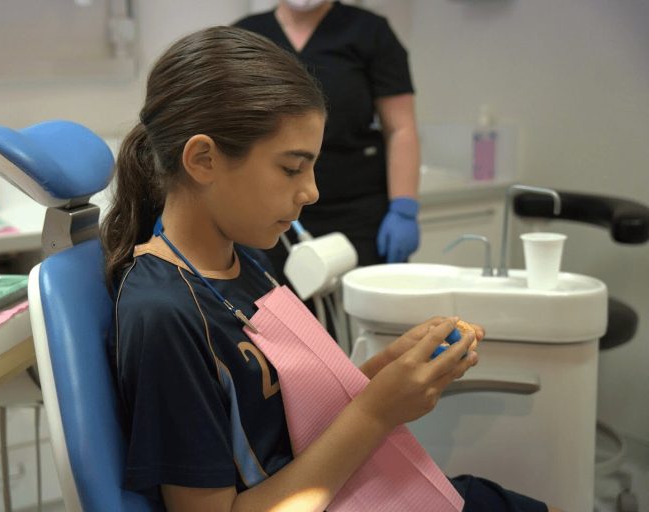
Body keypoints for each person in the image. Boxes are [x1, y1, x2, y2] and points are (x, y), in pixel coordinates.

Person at [102, 25, 559, 512]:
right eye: (291, 168)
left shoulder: (245, 262)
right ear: (203, 159)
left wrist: (387, 373)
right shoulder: (164, 315)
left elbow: (283, 425)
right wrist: (376, 413)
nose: (312, 191)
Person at [235, 0, 422, 281]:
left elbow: (401, 129)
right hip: (269, 212)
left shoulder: (369, 32)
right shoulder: (246, 36)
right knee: (274, 304)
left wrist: (404, 209)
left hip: (357, 214)